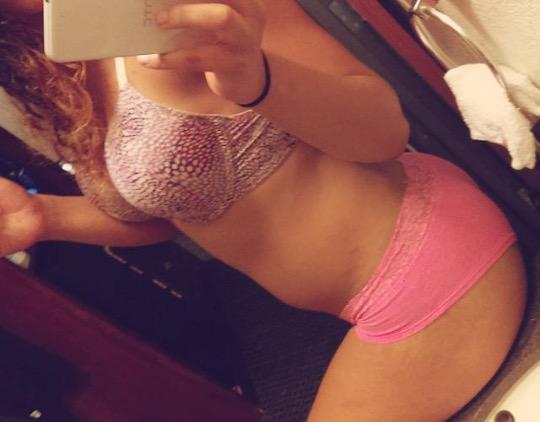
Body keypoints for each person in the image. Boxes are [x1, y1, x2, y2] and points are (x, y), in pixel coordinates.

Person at [0, 1, 527, 420]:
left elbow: (383, 131)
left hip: (427, 259)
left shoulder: (174, 7)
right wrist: (43, 219)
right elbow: (173, 213)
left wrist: (259, 80)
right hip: (364, 303)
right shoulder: (49, 69)